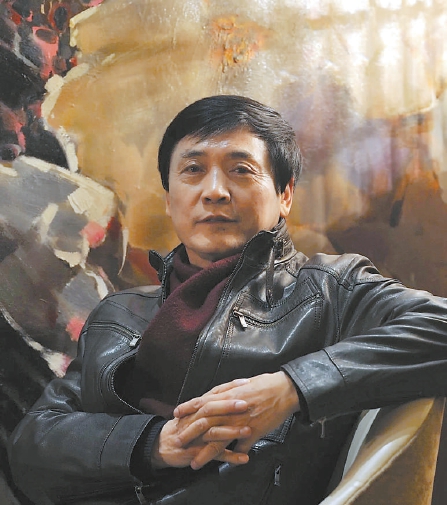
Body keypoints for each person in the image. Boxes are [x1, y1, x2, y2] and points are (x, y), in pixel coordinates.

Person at [8, 95, 447, 505]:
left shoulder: (328, 288)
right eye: (193, 170)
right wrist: (154, 443)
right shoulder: (119, 313)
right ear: (169, 199)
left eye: (240, 170)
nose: (214, 191)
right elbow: (32, 447)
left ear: (285, 195)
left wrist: (290, 387)